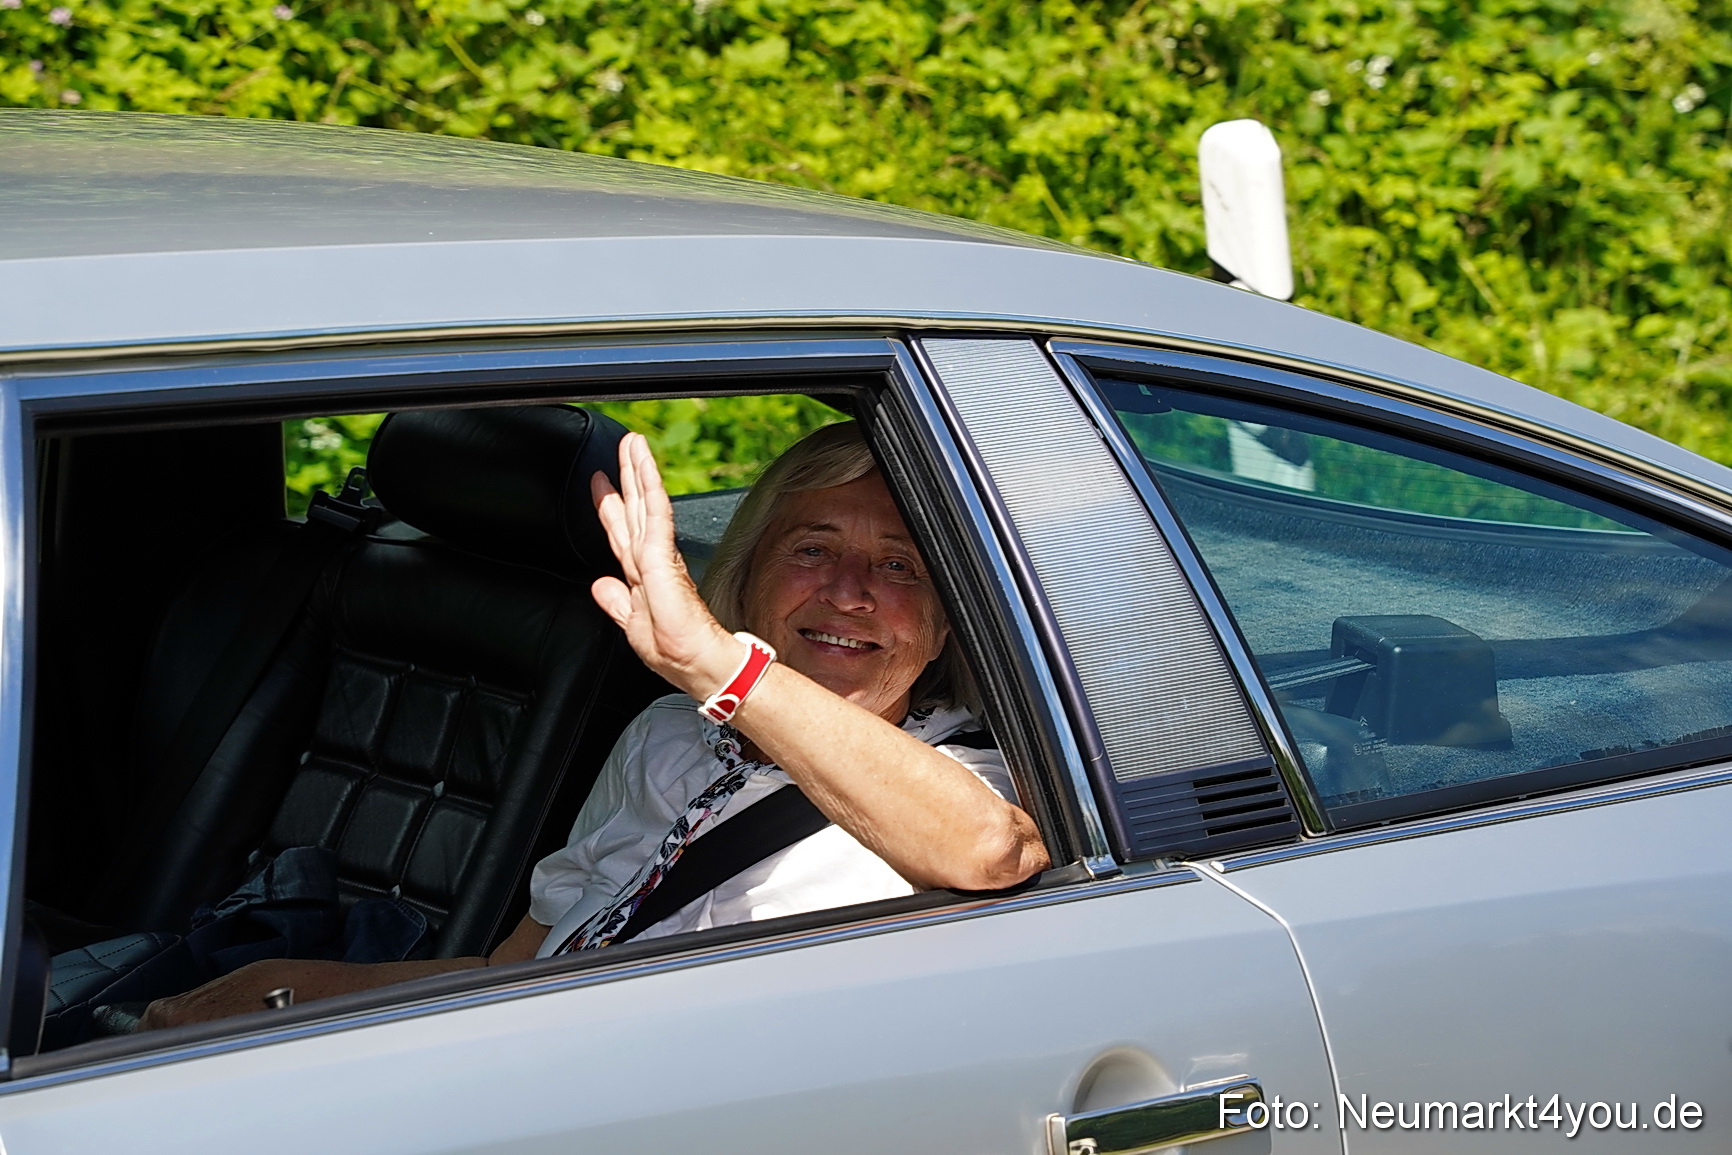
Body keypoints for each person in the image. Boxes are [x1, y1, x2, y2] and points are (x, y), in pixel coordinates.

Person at [140, 421, 1048, 1029]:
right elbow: (519, 971)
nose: (850, 592)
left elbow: (990, 848)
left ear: (944, 623)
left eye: (901, 566)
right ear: (753, 570)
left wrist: (722, 666)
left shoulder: (974, 763)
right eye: (813, 548)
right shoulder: (668, 733)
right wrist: (296, 996)